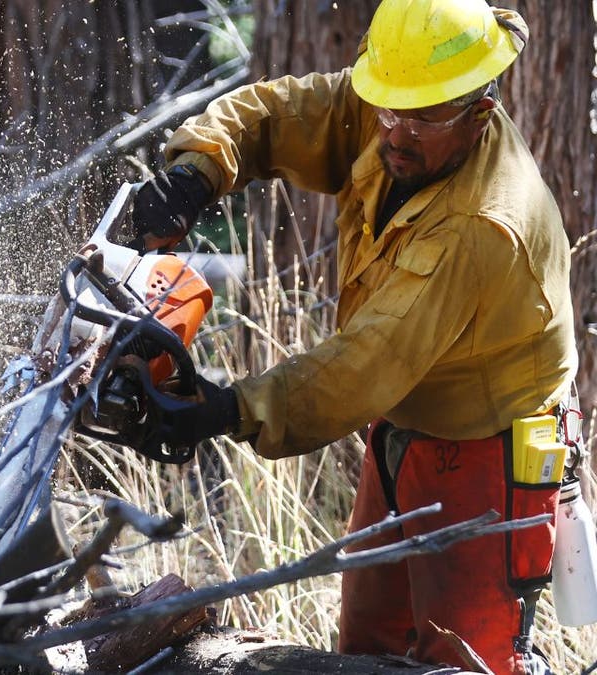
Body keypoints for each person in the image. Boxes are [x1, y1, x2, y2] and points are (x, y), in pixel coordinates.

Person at [125, 0, 577, 673]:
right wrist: (198, 173)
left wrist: (225, 409)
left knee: (466, 662)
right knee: (365, 652)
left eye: (418, 118)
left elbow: (363, 363)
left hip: (489, 456)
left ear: (479, 112)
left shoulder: (484, 226)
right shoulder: (397, 104)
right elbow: (277, 113)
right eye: (386, 109)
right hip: (404, 430)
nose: (392, 132)